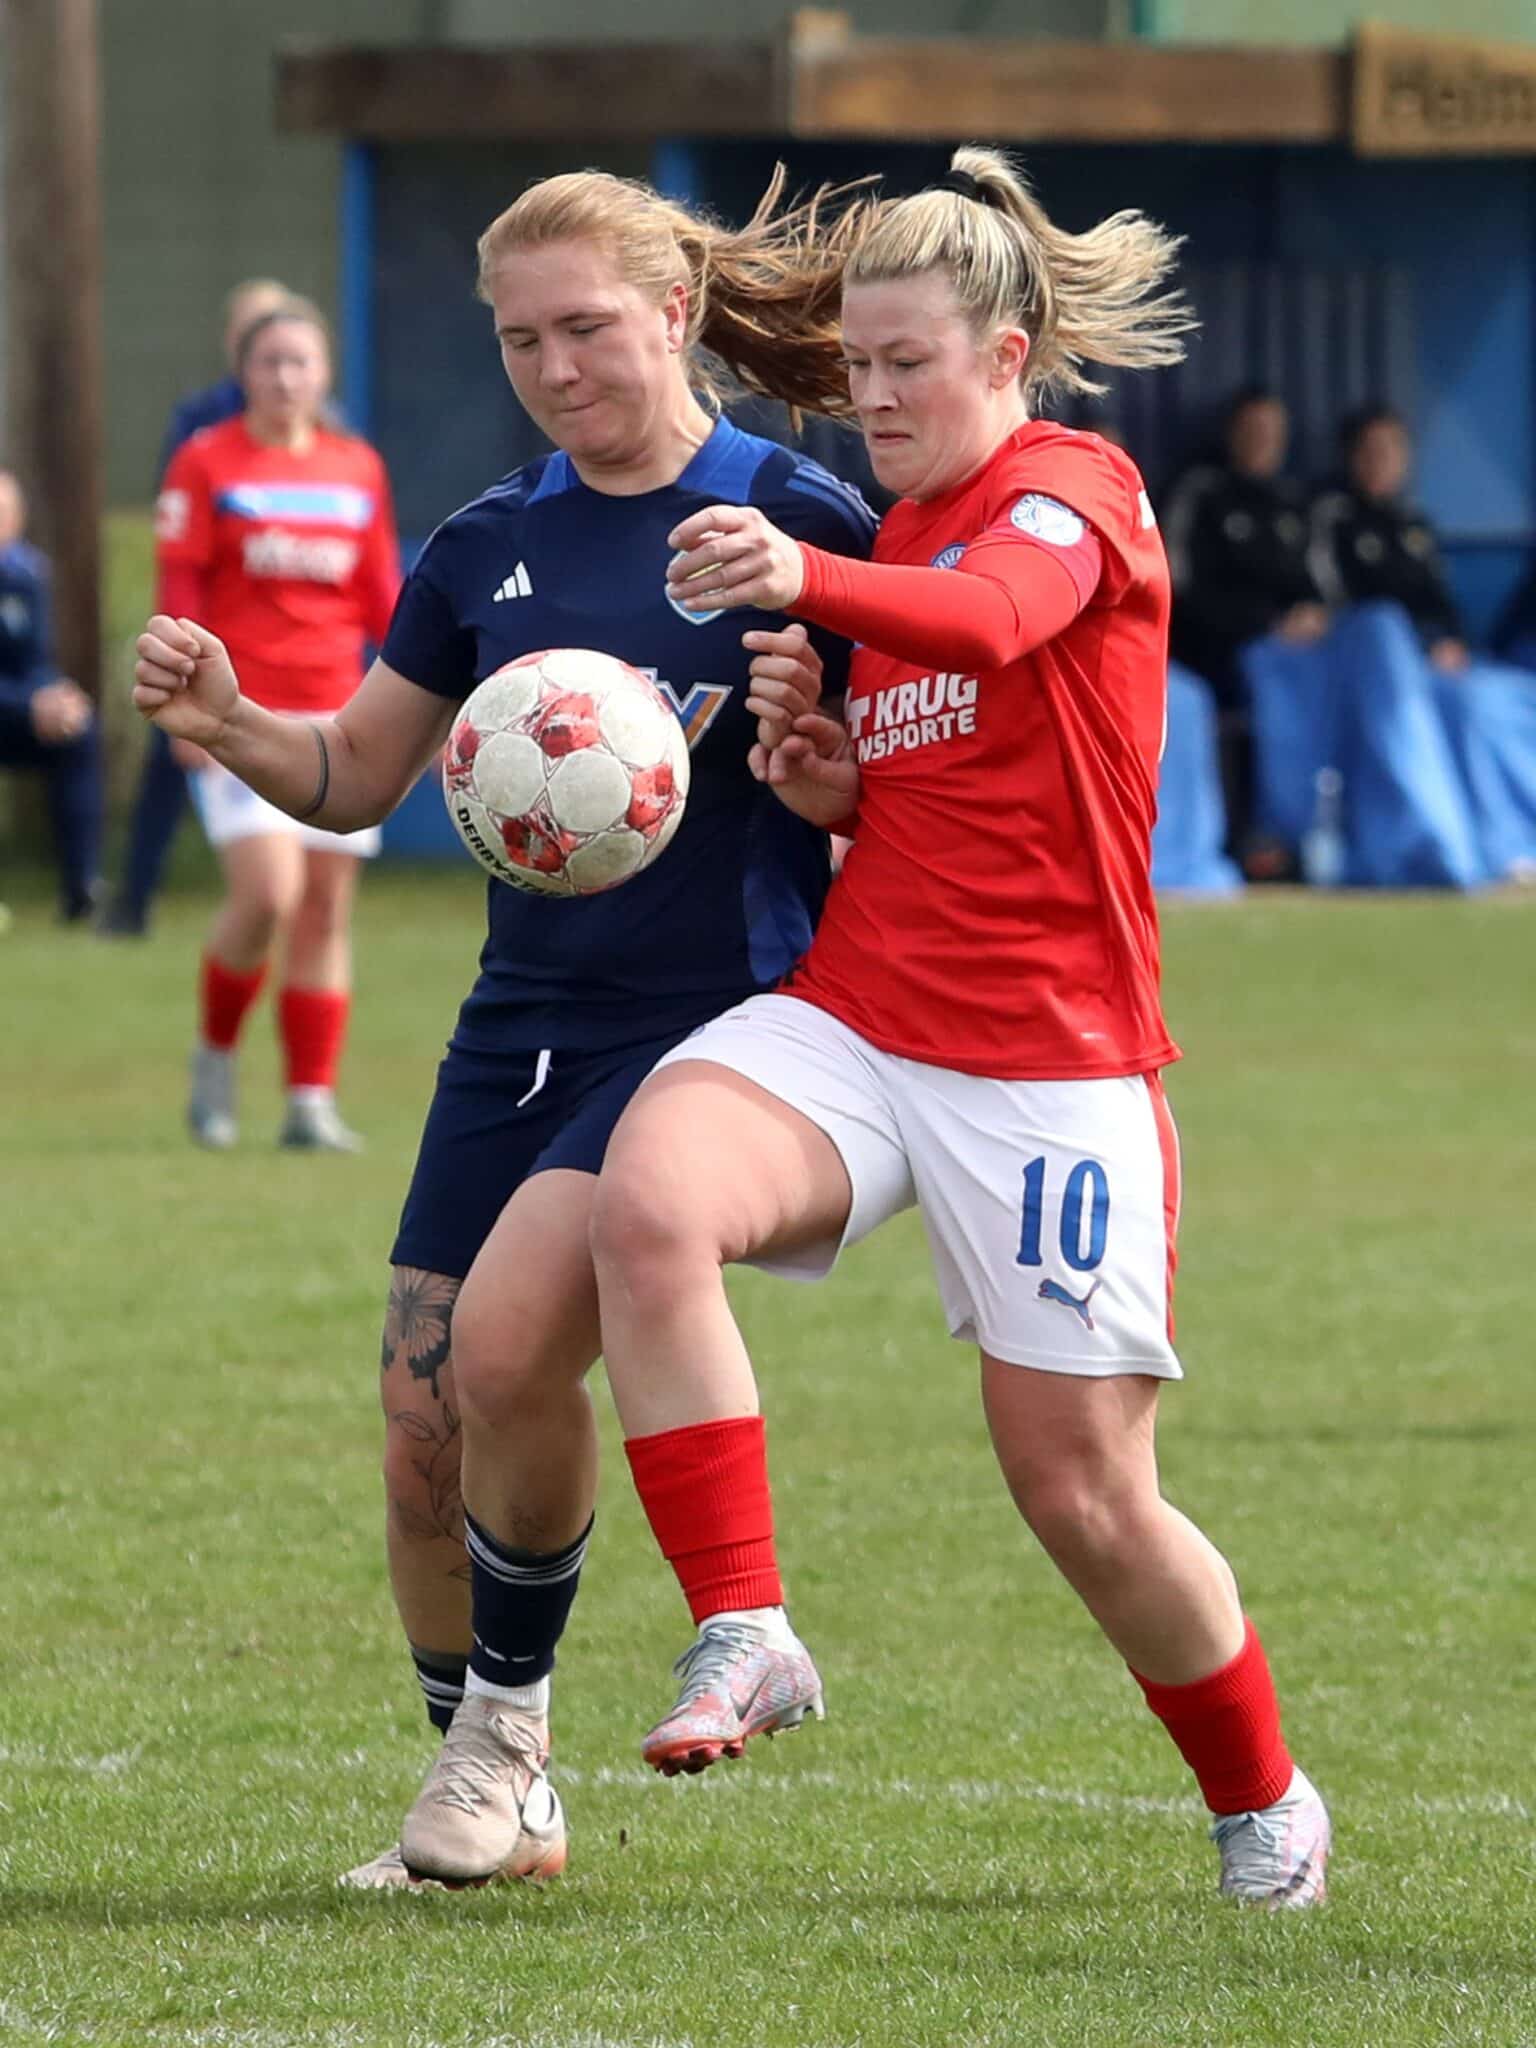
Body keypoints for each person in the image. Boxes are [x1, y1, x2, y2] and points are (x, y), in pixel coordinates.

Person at [580, 147, 1331, 1911]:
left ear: (1005, 356)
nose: (875, 391)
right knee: (650, 1199)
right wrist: (834, 779)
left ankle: (1262, 1796)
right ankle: (746, 1622)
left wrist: (806, 585)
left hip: (1054, 1066)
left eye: (909, 358)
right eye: (859, 361)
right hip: (860, 1016)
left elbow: (1002, 621)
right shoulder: (900, 532)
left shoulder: (1081, 491)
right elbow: (934, 783)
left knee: (1079, 1493)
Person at [133, 165, 878, 1889]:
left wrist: (823, 786)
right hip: (516, 1020)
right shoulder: (488, 543)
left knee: (496, 1352)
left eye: (588, 328)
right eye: (520, 337)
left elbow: (900, 797)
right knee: (416, 1420)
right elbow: (358, 773)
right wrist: (239, 722)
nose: (553, 366)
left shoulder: (796, 521)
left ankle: (505, 1737)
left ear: (674, 312)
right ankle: (499, 1787)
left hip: (714, 1030)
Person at [154, 296, 401, 1151]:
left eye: (302, 361)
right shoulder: (205, 462)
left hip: (340, 710)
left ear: (325, 372)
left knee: (325, 909)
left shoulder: (356, 466)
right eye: (271, 362)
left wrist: (427, 693)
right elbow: (180, 588)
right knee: (269, 893)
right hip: (239, 716)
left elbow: (382, 599)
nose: (287, 376)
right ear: (244, 373)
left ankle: (309, 1102)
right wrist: (186, 713)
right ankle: (215, 1059)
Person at [100, 279, 294, 939]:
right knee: (173, 754)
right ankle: (133, 897)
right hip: (212, 634)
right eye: (258, 340)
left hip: (303, 658)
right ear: (236, 350)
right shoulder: (201, 426)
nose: (282, 372)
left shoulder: (335, 436)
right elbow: (178, 531)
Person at [1162, 388, 1332, 868]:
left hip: (1296, 653)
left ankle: (1319, 839)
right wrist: (1267, 625)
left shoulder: (1293, 503)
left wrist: (1309, 615)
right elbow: (1178, 590)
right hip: (1216, 652)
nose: (1263, 442)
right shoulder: (1200, 492)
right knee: (1267, 672)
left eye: (1272, 433)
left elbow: (1320, 588)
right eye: (1253, 430)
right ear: (1231, 433)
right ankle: (1271, 839)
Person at [0, 469, 104, 921]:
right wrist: (30, 703)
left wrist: (53, 697)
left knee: (79, 732)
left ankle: (81, 890)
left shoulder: (29, 574)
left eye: (4, 513)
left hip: (14, 715)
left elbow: (37, 658)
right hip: (14, 706)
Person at [1310, 405, 1468, 672]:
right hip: (1365, 652)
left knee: (1483, 695)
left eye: (1391, 449)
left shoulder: (1415, 524)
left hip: (1428, 653)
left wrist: (1450, 641)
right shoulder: (1331, 515)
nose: (1380, 459)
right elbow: (1334, 598)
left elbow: (1439, 598)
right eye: (1369, 449)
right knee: (1382, 621)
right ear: (1350, 455)